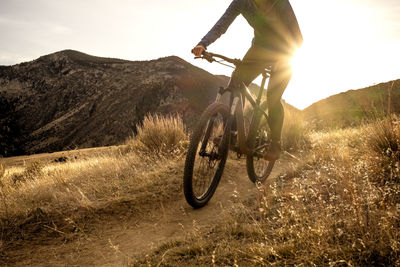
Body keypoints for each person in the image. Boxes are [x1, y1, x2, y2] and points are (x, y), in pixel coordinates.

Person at [192, 0, 303, 160]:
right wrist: (203, 44)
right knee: (236, 80)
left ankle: (275, 143)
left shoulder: (280, 3)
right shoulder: (241, 2)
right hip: (259, 50)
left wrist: (283, 57)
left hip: (286, 53)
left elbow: (297, 38)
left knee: (272, 97)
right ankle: (232, 132)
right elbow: (222, 24)